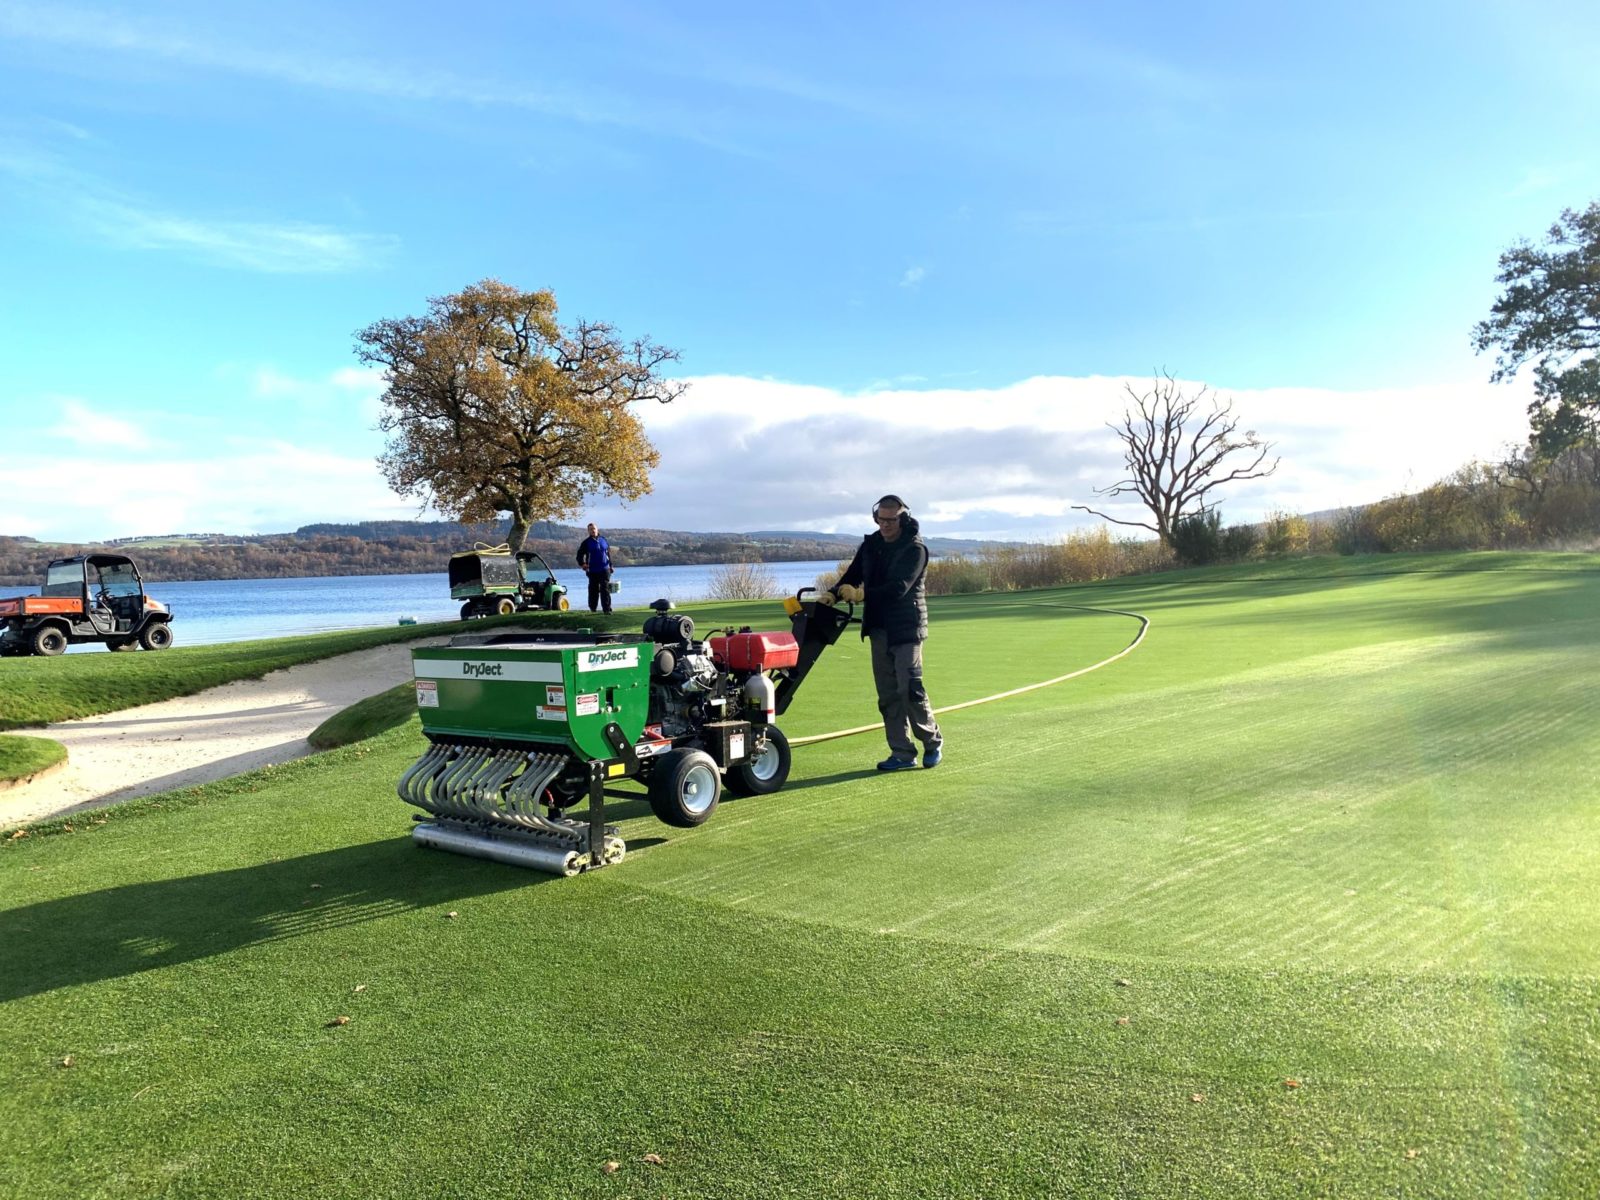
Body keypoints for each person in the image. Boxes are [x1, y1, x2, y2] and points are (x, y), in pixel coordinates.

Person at [826, 494, 943, 771]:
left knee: (909, 688)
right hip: (879, 628)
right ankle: (902, 752)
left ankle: (932, 741)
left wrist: (863, 594)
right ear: (876, 518)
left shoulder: (915, 549)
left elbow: (898, 588)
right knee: (888, 693)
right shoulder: (871, 545)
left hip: (907, 628)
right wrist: (832, 595)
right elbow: (852, 575)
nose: (886, 525)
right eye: (882, 519)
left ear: (902, 518)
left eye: (892, 520)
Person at [575, 522, 614, 614]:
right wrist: (583, 564)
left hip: (605, 569)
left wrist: (611, 566)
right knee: (593, 590)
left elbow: (608, 554)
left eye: (594, 529)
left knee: (605, 589)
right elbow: (579, 555)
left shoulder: (603, 540)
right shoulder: (586, 543)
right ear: (588, 531)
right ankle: (593, 608)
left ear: (597, 529)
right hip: (592, 570)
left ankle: (607, 609)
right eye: (591, 529)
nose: (593, 530)